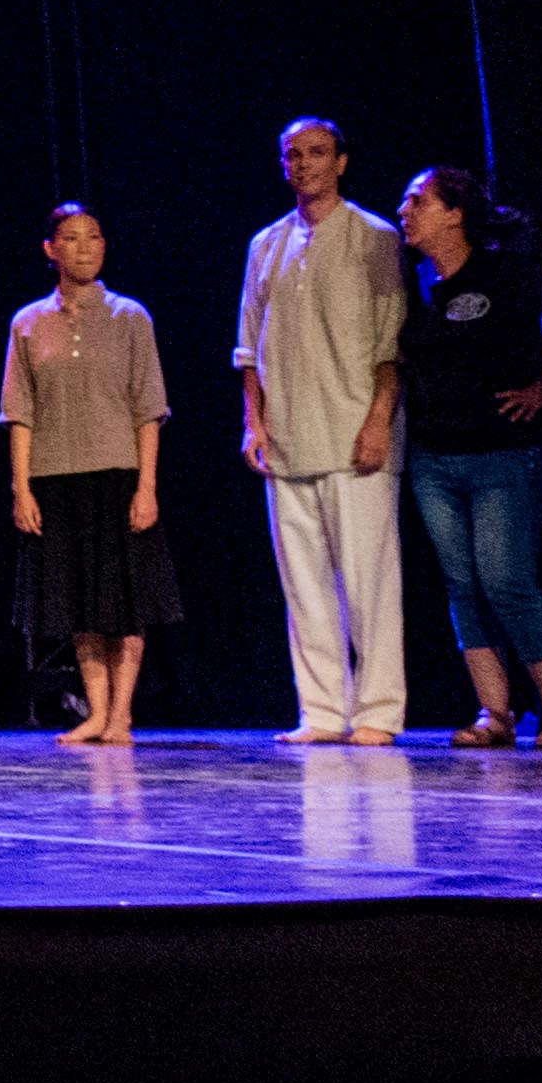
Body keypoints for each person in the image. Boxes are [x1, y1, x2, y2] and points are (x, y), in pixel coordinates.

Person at [393, 166, 542, 749]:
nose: (405, 211)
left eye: (418, 201)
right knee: (462, 583)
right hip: (435, 458)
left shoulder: (504, 274)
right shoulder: (412, 282)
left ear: (455, 213)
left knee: (506, 578)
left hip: (504, 452)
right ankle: (494, 714)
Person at [230, 117, 408, 745]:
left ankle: (380, 710)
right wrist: (255, 423)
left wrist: (379, 422)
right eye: (293, 155)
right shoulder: (266, 244)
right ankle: (324, 711)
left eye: (317, 153)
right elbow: (250, 348)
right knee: (304, 587)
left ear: (341, 161)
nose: (304, 164)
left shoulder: (374, 237)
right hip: (288, 439)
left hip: (356, 432)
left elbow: (392, 346)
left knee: (368, 581)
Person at [3, 204, 178, 747]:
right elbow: (20, 412)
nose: (86, 247)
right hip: (57, 479)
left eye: (95, 237)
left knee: (123, 602)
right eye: (73, 239)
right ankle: (97, 712)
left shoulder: (130, 317)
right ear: (50, 250)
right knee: (80, 603)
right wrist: (22, 486)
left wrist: (147, 486)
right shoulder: (29, 321)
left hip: (117, 475)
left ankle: (121, 713)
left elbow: (148, 407)